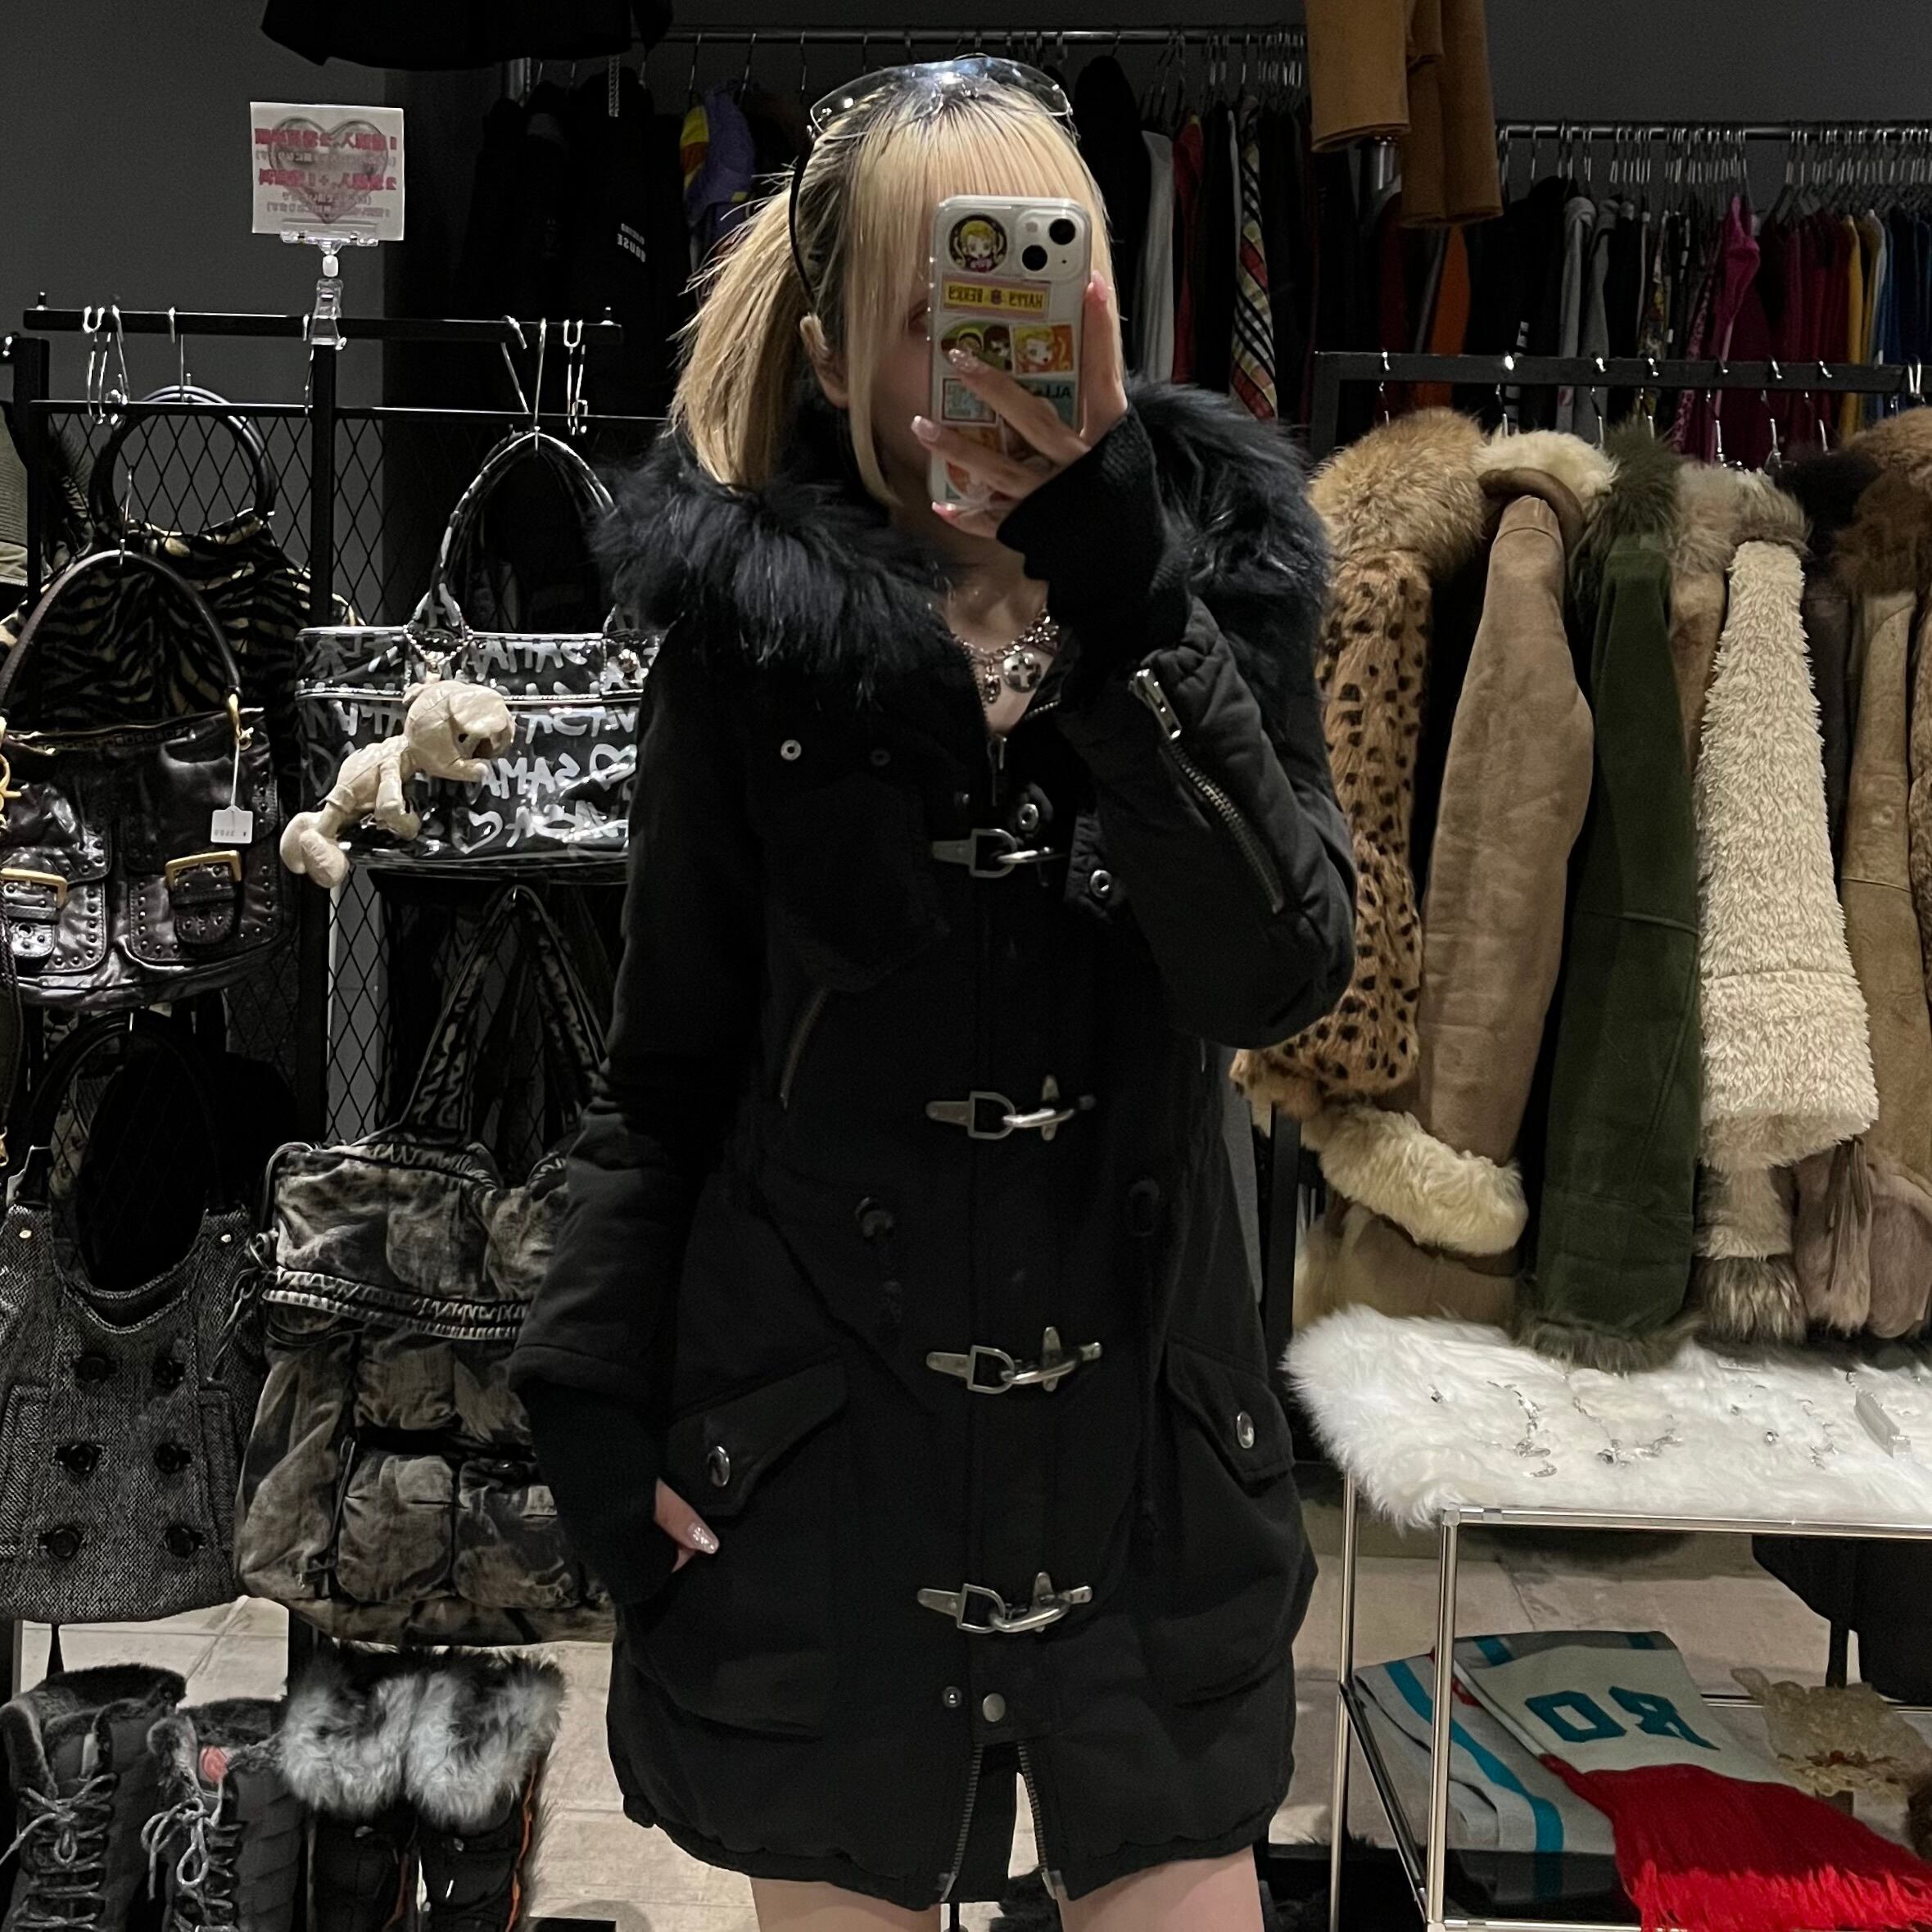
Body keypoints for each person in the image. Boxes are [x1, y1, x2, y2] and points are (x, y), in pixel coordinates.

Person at [509, 57, 1354, 1932]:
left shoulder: (1213, 597)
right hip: (827, 1467)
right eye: (940, 305)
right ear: (829, 358)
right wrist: (588, 1378)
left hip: (1142, 1472)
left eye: (1040, 276)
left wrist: (1129, 605)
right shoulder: (750, 647)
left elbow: (1279, 969)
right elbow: (669, 1066)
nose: (998, 345)